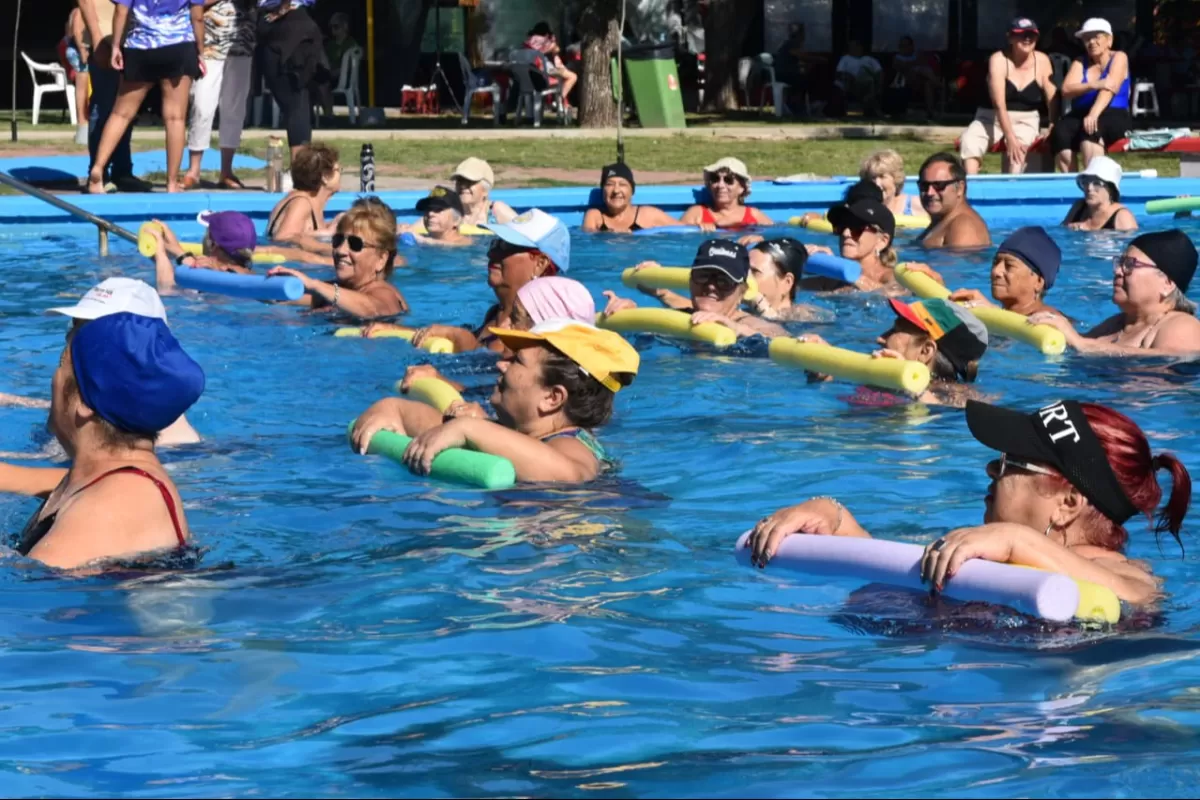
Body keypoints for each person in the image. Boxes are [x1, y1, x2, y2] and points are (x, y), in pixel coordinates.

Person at [748, 398, 1192, 605]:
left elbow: (1136, 598)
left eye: (1010, 463)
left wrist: (1020, 541)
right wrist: (836, 521)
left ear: (1068, 503)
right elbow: (902, 577)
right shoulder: (991, 549)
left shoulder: (1119, 570)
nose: (990, 471)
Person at [4, 312, 205, 570]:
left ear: (85, 403)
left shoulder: (114, 503)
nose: (52, 379)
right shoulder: (103, 476)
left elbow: (31, 590)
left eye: (61, 363)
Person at [351, 321, 639, 484]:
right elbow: (432, 422)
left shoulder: (571, 444)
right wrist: (392, 408)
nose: (502, 365)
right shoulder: (516, 432)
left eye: (517, 361)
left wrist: (471, 429)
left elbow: (572, 474)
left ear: (552, 398)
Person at [405, 209, 570, 353]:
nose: (491, 254)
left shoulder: (538, 324)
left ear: (540, 264)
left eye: (507, 246)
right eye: (495, 243)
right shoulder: (496, 312)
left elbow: (497, 379)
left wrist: (461, 337)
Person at [397, 276, 597, 394]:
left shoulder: (551, 394)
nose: (505, 325)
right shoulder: (577, 390)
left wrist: (441, 383)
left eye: (516, 318)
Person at [85, 0, 206, 195]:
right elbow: (197, 16)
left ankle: (98, 168)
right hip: (178, 45)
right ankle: (172, 182)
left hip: (140, 47)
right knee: (175, 118)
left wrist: (116, 46)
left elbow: (121, 11)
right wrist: (200, 51)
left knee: (120, 114)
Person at [1030, 230, 1200, 355]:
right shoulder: (1115, 325)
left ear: (1167, 283)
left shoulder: (1182, 325)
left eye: (1129, 265)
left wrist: (1082, 343)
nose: (1117, 271)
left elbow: (1172, 362)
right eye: (1120, 263)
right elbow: (1072, 346)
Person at [796, 296, 988, 406]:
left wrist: (911, 387)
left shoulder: (958, 399)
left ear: (925, 351)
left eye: (895, 331)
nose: (880, 338)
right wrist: (828, 367)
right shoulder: (878, 378)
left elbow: (956, 415)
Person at [601, 239, 788, 339]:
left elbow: (778, 338)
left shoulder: (749, 323)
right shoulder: (683, 318)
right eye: (703, 276)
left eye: (724, 281)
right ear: (690, 281)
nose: (711, 286)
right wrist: (626, 317)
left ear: (741, 292)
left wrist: (736, 329)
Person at [267, 198, 407, 318]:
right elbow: (284, 298)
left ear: (381, 259)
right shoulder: (338, 289)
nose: (340, 250)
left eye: (355, 244)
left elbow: (372, 309)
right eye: (338, 240)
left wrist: (314, 284)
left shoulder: (386, 294)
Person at [959, 18, 1056, 175]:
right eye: (1021, 34)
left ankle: (1012, 190)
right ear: (1010, 37)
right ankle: (970, 187)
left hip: (1026, 119)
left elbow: (1052, 97)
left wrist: (1053, 124)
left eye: (1031, 35)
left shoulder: (1043, 60)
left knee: (1019, 153)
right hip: (990, 117)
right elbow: (999, 104)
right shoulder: (998, 60)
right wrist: (1010, 137)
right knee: (970, 143)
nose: (1027, 39)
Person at [76, 0, 152, 193]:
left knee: (126, 109)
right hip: (104, 37)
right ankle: (99, 172)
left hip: (135, 38)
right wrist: (96, 37)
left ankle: (122, 170)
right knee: (104, 106)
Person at [182, 0, 256, 190]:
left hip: (241, 42)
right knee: (202, 104)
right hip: (208, 44)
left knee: (234, 107)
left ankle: (226, 170)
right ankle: (194, 170)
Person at [911, 226, 1064, 318]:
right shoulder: (999, 313)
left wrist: (993, 312)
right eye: (996, 262)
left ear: (1038, 281)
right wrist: (939, 292)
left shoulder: (1050, 319)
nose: (996, 271)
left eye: (1009, 266)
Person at [1051, 18, 1131, 174]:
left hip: (1113, 112)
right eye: (1087, 38)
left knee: (1091, 130)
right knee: (1060, 132)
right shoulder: (1080, 62)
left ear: (1109, 40)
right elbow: (1066, 89)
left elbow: (1109, 89)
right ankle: (1072, 184)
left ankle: (1093, 181)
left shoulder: (1119, 57)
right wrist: (1094, 84)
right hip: (1082, 112)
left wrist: (1093, 113)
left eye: (1097, 37)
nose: (1092, 42)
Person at [256, 0, 328, 157]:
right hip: (282, 26)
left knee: (297, 104)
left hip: (289, 27)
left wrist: (282, 8)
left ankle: (299, 168)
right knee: (296, 104)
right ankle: (300, 166)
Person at [147, 211, 258, 293]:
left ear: (213, 244)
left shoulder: (209, 281)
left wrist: (160, 254)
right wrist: (178, 252)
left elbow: (167, 291)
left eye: (207, 233)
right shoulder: (253, 276)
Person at [809, 197, 900, 292]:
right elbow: (795, 287)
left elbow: (897, 294)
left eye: (856, 227)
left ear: (882, 241)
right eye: (841, 226)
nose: (845, 233)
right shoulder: (833, 279)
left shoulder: (892, 277)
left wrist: (845, 270)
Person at [266, 142, 339, 255]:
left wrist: (331, 226)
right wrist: (326, 247)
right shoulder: (301, 203)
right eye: (338, 170)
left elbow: (304, 230)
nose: (340, 175)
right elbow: (283, 238)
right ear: (325, 177)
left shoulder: (307, 200)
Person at [741, 237, 828, 322]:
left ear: (787, 283)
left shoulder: (805, 318)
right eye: (744, 269)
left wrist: (767, 313)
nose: (744, 276)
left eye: (755, 272)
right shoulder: (738, 313)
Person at [915, 152, 992, 249]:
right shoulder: (944, 221)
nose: (930, 192)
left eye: (939, 185)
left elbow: (963, 263)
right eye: (924, 186)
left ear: (960, 188)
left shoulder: (964, 226)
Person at [582, 162, 680, 233]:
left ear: (632, 190)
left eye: (622, 184)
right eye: (609, 184)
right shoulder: (595, 216)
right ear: (603, 190)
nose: (616, 190)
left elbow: (686, 230)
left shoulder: (648, 215)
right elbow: (587, 241)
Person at [681, 158, 773, 230]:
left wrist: (741, 223)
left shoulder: (754, 216)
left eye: (728, 180)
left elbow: (775, 234)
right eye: (715, 179)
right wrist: (697, 229)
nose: (720, 185)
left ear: (742, 188)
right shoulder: (696, 214)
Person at [1063, 155, 1137, 231]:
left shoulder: (1122, 216)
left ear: (1111, 189)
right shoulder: (1078, 207)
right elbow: (1060, 233)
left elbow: (1132, 242)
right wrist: (1069, 229)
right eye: (1085, 182)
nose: (1089, 188)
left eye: (1097, 184)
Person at [524, 22, 577, 112]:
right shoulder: (544, 40)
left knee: (562, 78)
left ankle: (560, 103)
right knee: (572, 76)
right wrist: (552, 44)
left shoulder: (529, 41)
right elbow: (556, 49)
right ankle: (560, 100)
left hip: (533, 72)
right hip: (546, 70)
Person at [859, 149, 926, 219]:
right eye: (872, 178)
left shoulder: (918, 205)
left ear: (896, 178)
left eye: (882, 177)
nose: (877, 183)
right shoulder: (860, 208)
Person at [886, 35, 940, 120]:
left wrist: (914, 64)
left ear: (911, 46)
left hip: (920, 81)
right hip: (906, 81)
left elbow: (923, 62)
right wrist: (915, 64)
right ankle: (939, 84)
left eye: (905, 45)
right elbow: (901, 67)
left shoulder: (917, 55)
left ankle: (930, 112)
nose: (903, 48)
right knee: (921, 70)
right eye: (901, 46)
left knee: (927, 82)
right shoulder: (897, 57)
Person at [451, 158, 517, 227]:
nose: (463, 186)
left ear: (485, 190)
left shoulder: (497, 210)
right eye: (460, 180)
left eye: (470, 181)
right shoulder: (450, 213)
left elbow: (525, 232)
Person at [315, 11, 357, 118]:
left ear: (345, 26)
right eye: (331, 27)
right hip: (329, 74)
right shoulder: (330, 45)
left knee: (323, 84)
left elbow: (350, 66)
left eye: (336, 26)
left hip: (343, 78)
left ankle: (328, 116)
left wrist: (335, 72)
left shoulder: (351, 43)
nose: (333, 30)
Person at [61, 8, 92, 145]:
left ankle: (86, 119)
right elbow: (76, 32)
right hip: (79, 52)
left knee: (85, 87)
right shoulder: (80, 11)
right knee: (82, 87)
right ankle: (82, 121)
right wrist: (82, 51)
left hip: (80, 51)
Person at [403, 186, 472, 246]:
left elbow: (459, 245)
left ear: (456, 220)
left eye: (438, 210)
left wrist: (423, 240)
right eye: (428, 209)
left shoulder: (465, 245)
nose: (430, 214)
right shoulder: (423, 239)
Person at [832, 39, 882, 116]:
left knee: (869, 81)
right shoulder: (845, 58)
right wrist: (849, 76)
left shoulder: (870, 59)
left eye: (853, 46)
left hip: (867, 85)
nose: (850, 48)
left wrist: (879, 86)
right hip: (850, 85)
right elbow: (838, 73)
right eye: (850, 47)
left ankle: (871, 109)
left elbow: (879, 73)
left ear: (860, 47)